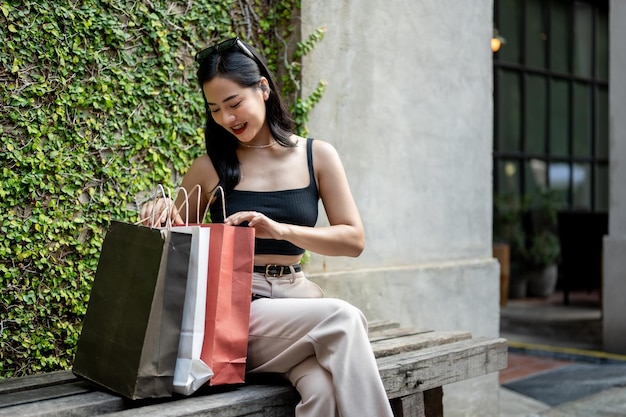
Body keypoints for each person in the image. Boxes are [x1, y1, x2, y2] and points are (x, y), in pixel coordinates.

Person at [140, 37, 393, 417]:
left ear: (263, 87)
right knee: (344, 318)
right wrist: (159, 207)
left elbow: (353, 240)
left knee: (323, 392)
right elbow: (171, 241)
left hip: (298, 302)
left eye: (233, 103)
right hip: (236, 312)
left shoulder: (317, 155)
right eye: (215, 109)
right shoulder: (210, 167)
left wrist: (280, 230)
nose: (227, 118)